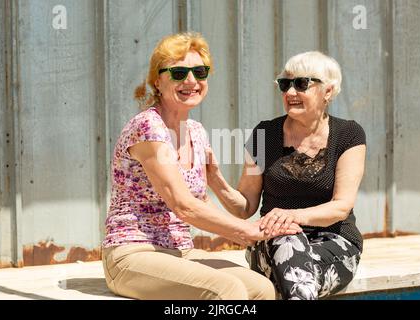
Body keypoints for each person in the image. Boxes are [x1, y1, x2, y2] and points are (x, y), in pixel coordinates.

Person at [101, 32, 302, 300]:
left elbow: (200, 202)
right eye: (178, 72)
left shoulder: (195, 131)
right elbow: (182, 204)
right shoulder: (148, 126)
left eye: (199, 71)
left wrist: (218, 181)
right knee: (226, 291)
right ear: (157, 81)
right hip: (133, 253)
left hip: (181, 251)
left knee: (261, 288)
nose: (191, 81)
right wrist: (245, 231)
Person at [206, 51, 366, 300]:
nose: (290, 93)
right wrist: (215, 178)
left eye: (301, 84)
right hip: (272, 244)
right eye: (285, 84)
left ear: (328, 91)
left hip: (333, 243)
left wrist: (290, 216)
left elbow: (341, 207)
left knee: (294, 265)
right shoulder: (264, 134)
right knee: (287, 241)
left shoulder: (348, 135)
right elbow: (245, 206)